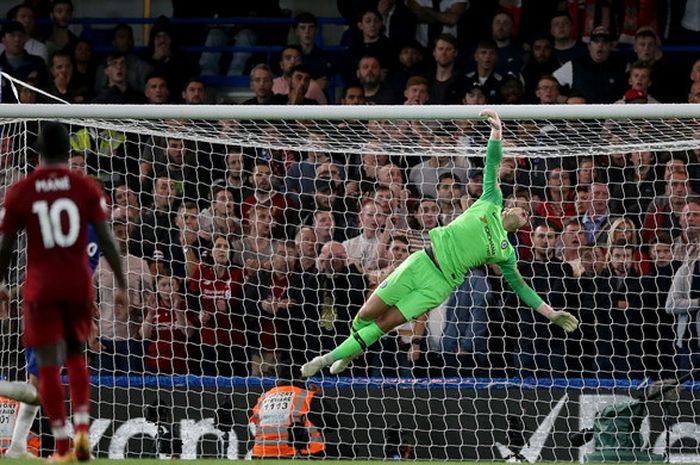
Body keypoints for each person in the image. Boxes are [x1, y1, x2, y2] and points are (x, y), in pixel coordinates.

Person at [301, 109, 578, 377]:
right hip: (421, 261)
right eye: (517, 206)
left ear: (524, 223)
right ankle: (348, 352)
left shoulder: (506, 252)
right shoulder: (490, 201)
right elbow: (492, 164)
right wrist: (497, 132)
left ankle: (325, 359)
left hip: (439, 284)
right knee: (364, 316)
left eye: (525, 211)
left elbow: (521, 287)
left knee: (384, 324)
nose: (519, 209)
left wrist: (551, 313)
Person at [0, 122, 128, 461]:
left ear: (38, 153)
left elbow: (6, 247)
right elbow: (108, 240)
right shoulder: (85, 189)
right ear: (67, 154)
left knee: (45, 374)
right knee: (72, 359)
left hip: (41, 288)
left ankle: (59, 445)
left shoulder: (21, 190)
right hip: (77, 285)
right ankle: (79, 430)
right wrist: (121, 284)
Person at [249, 368, 334, 458]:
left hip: (261, 453)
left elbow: (254, 423)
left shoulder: (264, 397)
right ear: (301, 377)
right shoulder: (307, 396)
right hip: (299, 453)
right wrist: (319, 397)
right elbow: (331, 424)